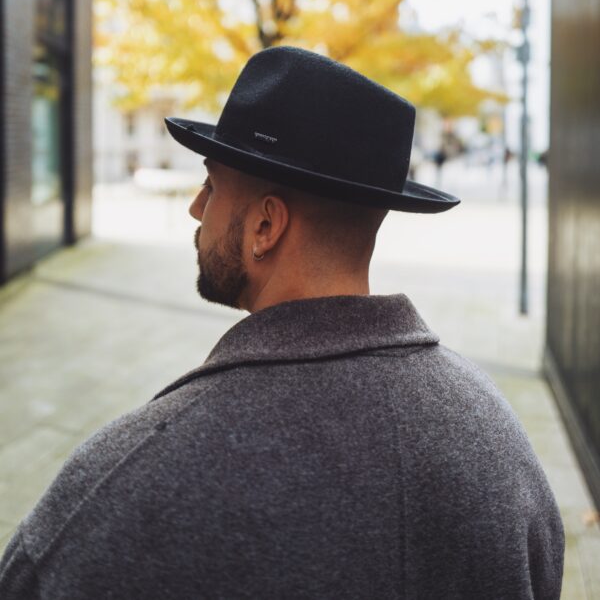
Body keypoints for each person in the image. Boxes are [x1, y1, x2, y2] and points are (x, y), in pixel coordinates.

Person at [0, 46, 564, 599]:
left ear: (266, 227)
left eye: (213, 185)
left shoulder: (127, 478)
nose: (198, 208)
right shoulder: (499, 443)